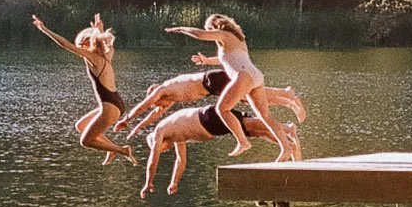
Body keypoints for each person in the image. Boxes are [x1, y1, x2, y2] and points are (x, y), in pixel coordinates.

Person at [164, 13, 288, 155]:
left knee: (222, 109)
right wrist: (207, 61)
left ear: (215, 26)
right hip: (255, 76)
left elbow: (200, 35)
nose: (210, 33)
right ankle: (286, 148)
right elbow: (227, 58)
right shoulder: (236, 38)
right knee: (265, 116)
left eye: (209, 29)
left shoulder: (224, 34)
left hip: (244, 76)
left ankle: (242, 141)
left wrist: (181, 29)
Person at [115, 68, 305, 158]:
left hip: (211, 80)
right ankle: (285, 97)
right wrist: (136, 129)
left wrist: (127, 118)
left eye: (157, 105)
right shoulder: (169, 99)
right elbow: (152, 116)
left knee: (248, 97)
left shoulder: (162, 91)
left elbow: (143, 106)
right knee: (249, 97)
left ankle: (285, 94)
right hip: (211, 85)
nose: (159, 108)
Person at [140, 97, 286, 196]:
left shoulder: (160, 130)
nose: (165, 150)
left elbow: (153, 160)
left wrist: (148, 182)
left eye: (162, 149)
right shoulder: (177, 135)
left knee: (251, 125)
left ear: (158, 143)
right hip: (210, 125)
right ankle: (288, 143)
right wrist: (174, 182)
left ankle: (287, 129)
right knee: (255, 132)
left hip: (208, 117)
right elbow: (180, 160)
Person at [33, 13, 130, 161]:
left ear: (86, 45)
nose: (79, 50)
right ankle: (111, 149)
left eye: (80, 46)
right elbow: (107, 42)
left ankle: (121, 150)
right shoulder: (107, 55)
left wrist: (44, 29)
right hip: (116, 103)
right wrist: (99, 29)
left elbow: (64, 44)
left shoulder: (93, 58)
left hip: (109, 106)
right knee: (81, 125)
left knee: (86, 141)